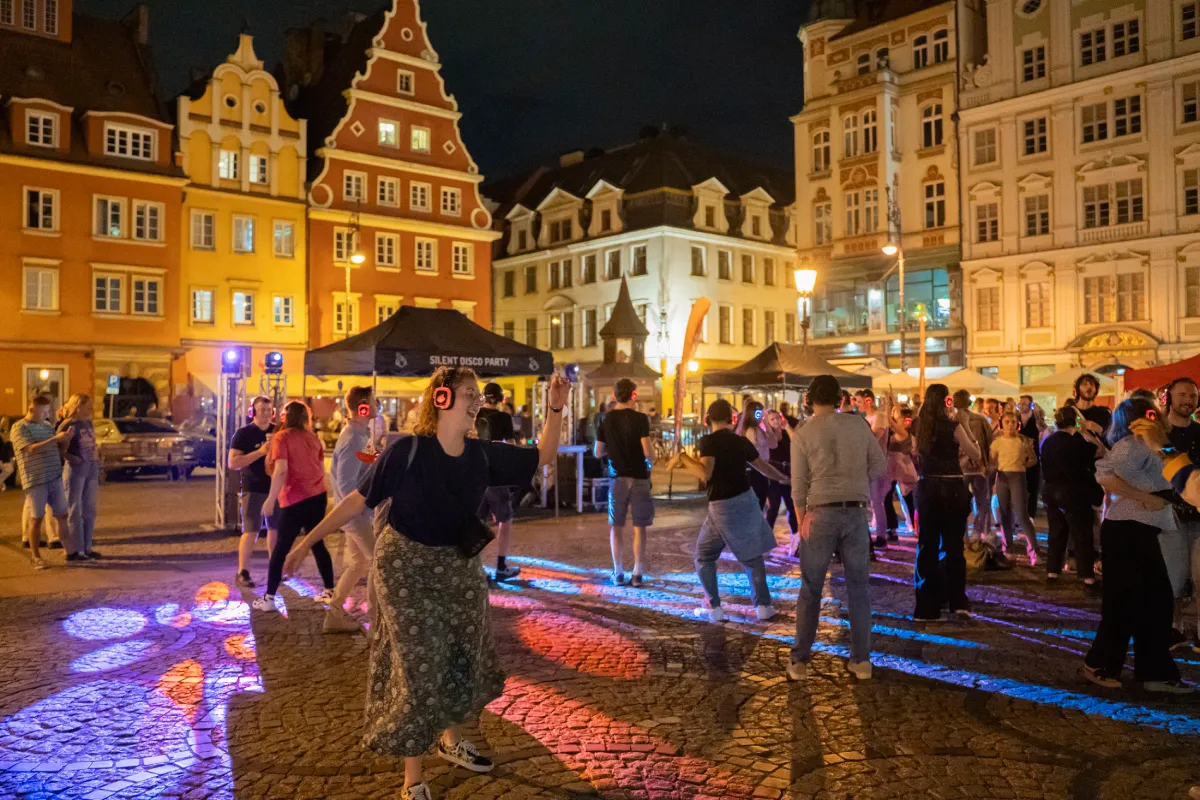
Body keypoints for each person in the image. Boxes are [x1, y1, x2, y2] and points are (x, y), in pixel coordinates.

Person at [287, 368, 569, 800]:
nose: (477, 401)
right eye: (469, 393)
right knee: (418, 667)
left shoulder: (481, 454)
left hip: (457, 566)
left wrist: (555, 407)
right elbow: (355, 501)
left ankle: (452, 741)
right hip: (406, 568)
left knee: (459, 656)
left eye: (478, 395)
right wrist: (306, 541)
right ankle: (413, 780)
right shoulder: (407, 451)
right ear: (442, 399)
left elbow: (544, 455)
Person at [1083, 398, 1193, 693]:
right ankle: (1101, 663)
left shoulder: (1152, 443)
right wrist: (1146, 498)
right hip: (1128, 527)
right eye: (1147, 413)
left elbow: (1173, 467)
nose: (1153, 417)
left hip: (1144, 527)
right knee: (1125, 602)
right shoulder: (1132, 444)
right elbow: (1105, 475)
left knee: (1155, 602)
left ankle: (1153, 670)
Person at [788, 375, 887, 681]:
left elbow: (798, 486)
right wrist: (854, 477)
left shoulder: (803, 433)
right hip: (855, 512)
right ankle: (862, 661)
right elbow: (880, 467)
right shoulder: (858, 425)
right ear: (840, 399)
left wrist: (801, 520)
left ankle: (800, 662)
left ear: (808, 400)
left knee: (811, 589)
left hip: (819, 513)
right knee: (858, 589)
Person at [672, 399, 789, 622]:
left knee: (704, 556)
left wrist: (683, 458)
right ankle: (763, 606)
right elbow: (764, 468)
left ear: (708, 419)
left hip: (722, 504)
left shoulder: (709, 441)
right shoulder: (740, 441)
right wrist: (784, 478)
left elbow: (705, 473)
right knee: (752, 556)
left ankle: (714, 607)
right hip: (746, 500)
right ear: (731, 419)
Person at [282, 387, 376, 633]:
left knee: (358, 564)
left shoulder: (361, 434)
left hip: (357, 514)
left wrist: (379, 456)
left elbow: (368, 467)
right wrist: (360, 508)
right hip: (356, 514)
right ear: (363, 406)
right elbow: (346, 485)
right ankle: (377, 623)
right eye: (374, 401)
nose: (377, 405)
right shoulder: (353, 438)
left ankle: (334, 613)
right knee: (378, 564)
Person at [253, 401, 336, 612]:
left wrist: (271, 498)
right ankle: (330, 590)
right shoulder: (313, 438)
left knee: (281, 547)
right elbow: (319, 467)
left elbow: (281, 470)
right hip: (317, 495)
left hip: (294, 497)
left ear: (285, 417)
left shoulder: (282, 437)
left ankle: (269, 598)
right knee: (317, 542)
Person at [913, 383, 982, 621]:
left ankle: (926, 606)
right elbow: (976, 454)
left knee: (927, 546)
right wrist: (966, 427)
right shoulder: (953, 426)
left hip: (927, 487)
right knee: (953, 547)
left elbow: (917, 454)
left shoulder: (919, 425)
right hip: (952, 488)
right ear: (945, 401)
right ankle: (957, 601)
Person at [596, 378, 655, 586]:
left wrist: (613, 450)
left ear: (614, 395)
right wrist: (651, 460)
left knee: (616, 525)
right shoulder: (641, 419)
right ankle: (637, 572)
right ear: (633, 395)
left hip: (617, 478)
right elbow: (648, 451)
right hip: (639, 476)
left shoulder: (606, 419)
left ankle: (618, 571)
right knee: (640, 526)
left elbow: (598, 451)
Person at [1041, 405, 1106, 585]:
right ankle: (1087, 576)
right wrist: (1086, 432)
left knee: (1056, 532)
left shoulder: (1048, 442)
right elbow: (1100, 450)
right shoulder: (1077, 443)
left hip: (1050, 490)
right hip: (1074, 492)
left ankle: (1052, 571)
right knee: (1081, 534)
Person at [11, 395, 73, 570]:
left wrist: (66, 441)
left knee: (62, 515)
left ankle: (70, 552)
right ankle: (36, 557)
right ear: (32, 410)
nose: (47, 415)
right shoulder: (19, 427)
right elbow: (31, 449)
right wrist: (56, 439)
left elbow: (58, 451)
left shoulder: (46, 426)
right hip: (35, 480)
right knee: (36, 519)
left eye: (48, 411)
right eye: (44, 412)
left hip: (54, 476)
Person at [1162, 377, 1200, 651]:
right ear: (1169, 398)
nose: (1188, 400)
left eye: (1193, 396)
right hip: (1169, 514)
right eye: (1183, 395)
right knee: (1172, 578)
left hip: (1198, 514)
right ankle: (1174, 628)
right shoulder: (1159, 433)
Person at [229, 396, 279, 589]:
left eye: (269, 410)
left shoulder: (278, 431)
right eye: (262, 410)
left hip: (275, 487)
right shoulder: (243, 434)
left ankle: (276, 569)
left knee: (275, 529)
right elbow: (233, 463)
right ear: (253, 412)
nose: (266, 414)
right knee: (251, 530)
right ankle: (243, 572)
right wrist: (260, 452)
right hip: (253, 487)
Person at [474, 382, 523, 581]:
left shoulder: (475, 416)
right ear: (501, 398)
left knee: (477, 522)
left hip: (476, 473)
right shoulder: (504, 418)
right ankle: (501, 566)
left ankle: (475, 568)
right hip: (496, 474)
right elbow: (510, 446)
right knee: (505, 520)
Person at [991, 413, 1039, 564]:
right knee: (1004, 514)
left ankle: (1034, 552)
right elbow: (991, 460)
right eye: (1007, 422)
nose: (1010, 425)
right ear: (1002, 424)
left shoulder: (1023, 441)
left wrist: (1023, 464)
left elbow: (1033, 459)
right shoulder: (997, 442)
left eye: (1013, 422)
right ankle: (1008, 549)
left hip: (1018, 477)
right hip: (1002, 477)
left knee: (1022, 514)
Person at [59, 394, 102, 562]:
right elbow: (57, 447)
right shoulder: (68, 424)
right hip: (75, 469)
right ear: (78, 406)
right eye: (88, 405)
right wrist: (70, 457)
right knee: (74, 509)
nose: (91, 408)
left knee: (90, 508)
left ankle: (87, 547)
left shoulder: (88, 423)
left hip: (91, 467)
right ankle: (76, 550)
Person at [953, 390, 994, 545]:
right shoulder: (980, 420)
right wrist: (988, 463)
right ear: (969, 402)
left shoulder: (952, 421)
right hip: (978, 466)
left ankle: (964, 535)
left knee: (961, 504)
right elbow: (989, 443)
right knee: (982, 502)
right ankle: (976, 531)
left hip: (961, 468)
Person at [764, 409, 798, 538]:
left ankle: (795, 536)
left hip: (788, 474)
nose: (775, 421)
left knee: (792, 506)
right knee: (774, 506)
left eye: (777, 418)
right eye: (772, 419)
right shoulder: (767, 436)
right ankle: (766, 536)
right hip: (773, 475)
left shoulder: (786, 433)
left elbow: (796, 441)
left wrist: (787, 426)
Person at [736, 399, 776, 510]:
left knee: (760, 504)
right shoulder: (750, 431)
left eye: (762, 413)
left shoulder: (760, 429)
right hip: (755, 471)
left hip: (762, 470)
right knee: (757, 504)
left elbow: (773, 444)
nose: (760, 416)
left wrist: (766, 423)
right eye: (758, 413)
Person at [1017, 395, 1047, 520]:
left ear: (1031, 405)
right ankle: (1020, 514)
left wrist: (1038, 416)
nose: (1021, 406)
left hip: (1033, 456)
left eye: (1024, 403)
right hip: (1017, 456)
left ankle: (1031, 515)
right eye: (1020, 403)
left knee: (1033, 486)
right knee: (1019, 486)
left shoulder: (1035, 418)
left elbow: (1042, 428)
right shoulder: (1015, 418)